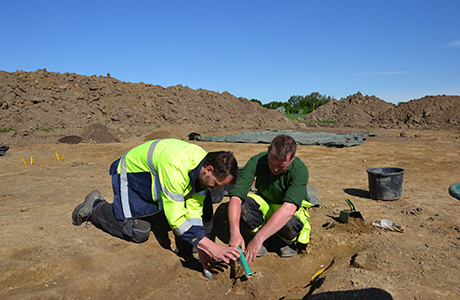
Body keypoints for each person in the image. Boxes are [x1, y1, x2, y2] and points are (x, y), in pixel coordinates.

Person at [72, 138, 241, 274]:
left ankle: (149, 213)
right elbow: (176, 219)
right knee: (138, 232)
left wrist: (201, 247)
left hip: (155, 179)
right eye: (217, 183)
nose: (217, 189)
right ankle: (96, 206)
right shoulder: (177, 166)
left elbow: (194, 210)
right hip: (133, 175)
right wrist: (211, 246)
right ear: (209, 169)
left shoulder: (202, 167)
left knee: (174, 216)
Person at [228, 134, 313, 263]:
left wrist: (257, 240)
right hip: (267, 205)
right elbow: (236, 197)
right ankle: (263, 238)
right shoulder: (256, 161)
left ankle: (284, 241)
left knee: (290, 221)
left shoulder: (299, 170)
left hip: (287, 211)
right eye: (272, 162)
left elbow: (289, 209)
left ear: (293, 158)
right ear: (268, 150)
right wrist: (234, 232)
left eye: (282, 165)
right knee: (245, 205)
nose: (276, 168)